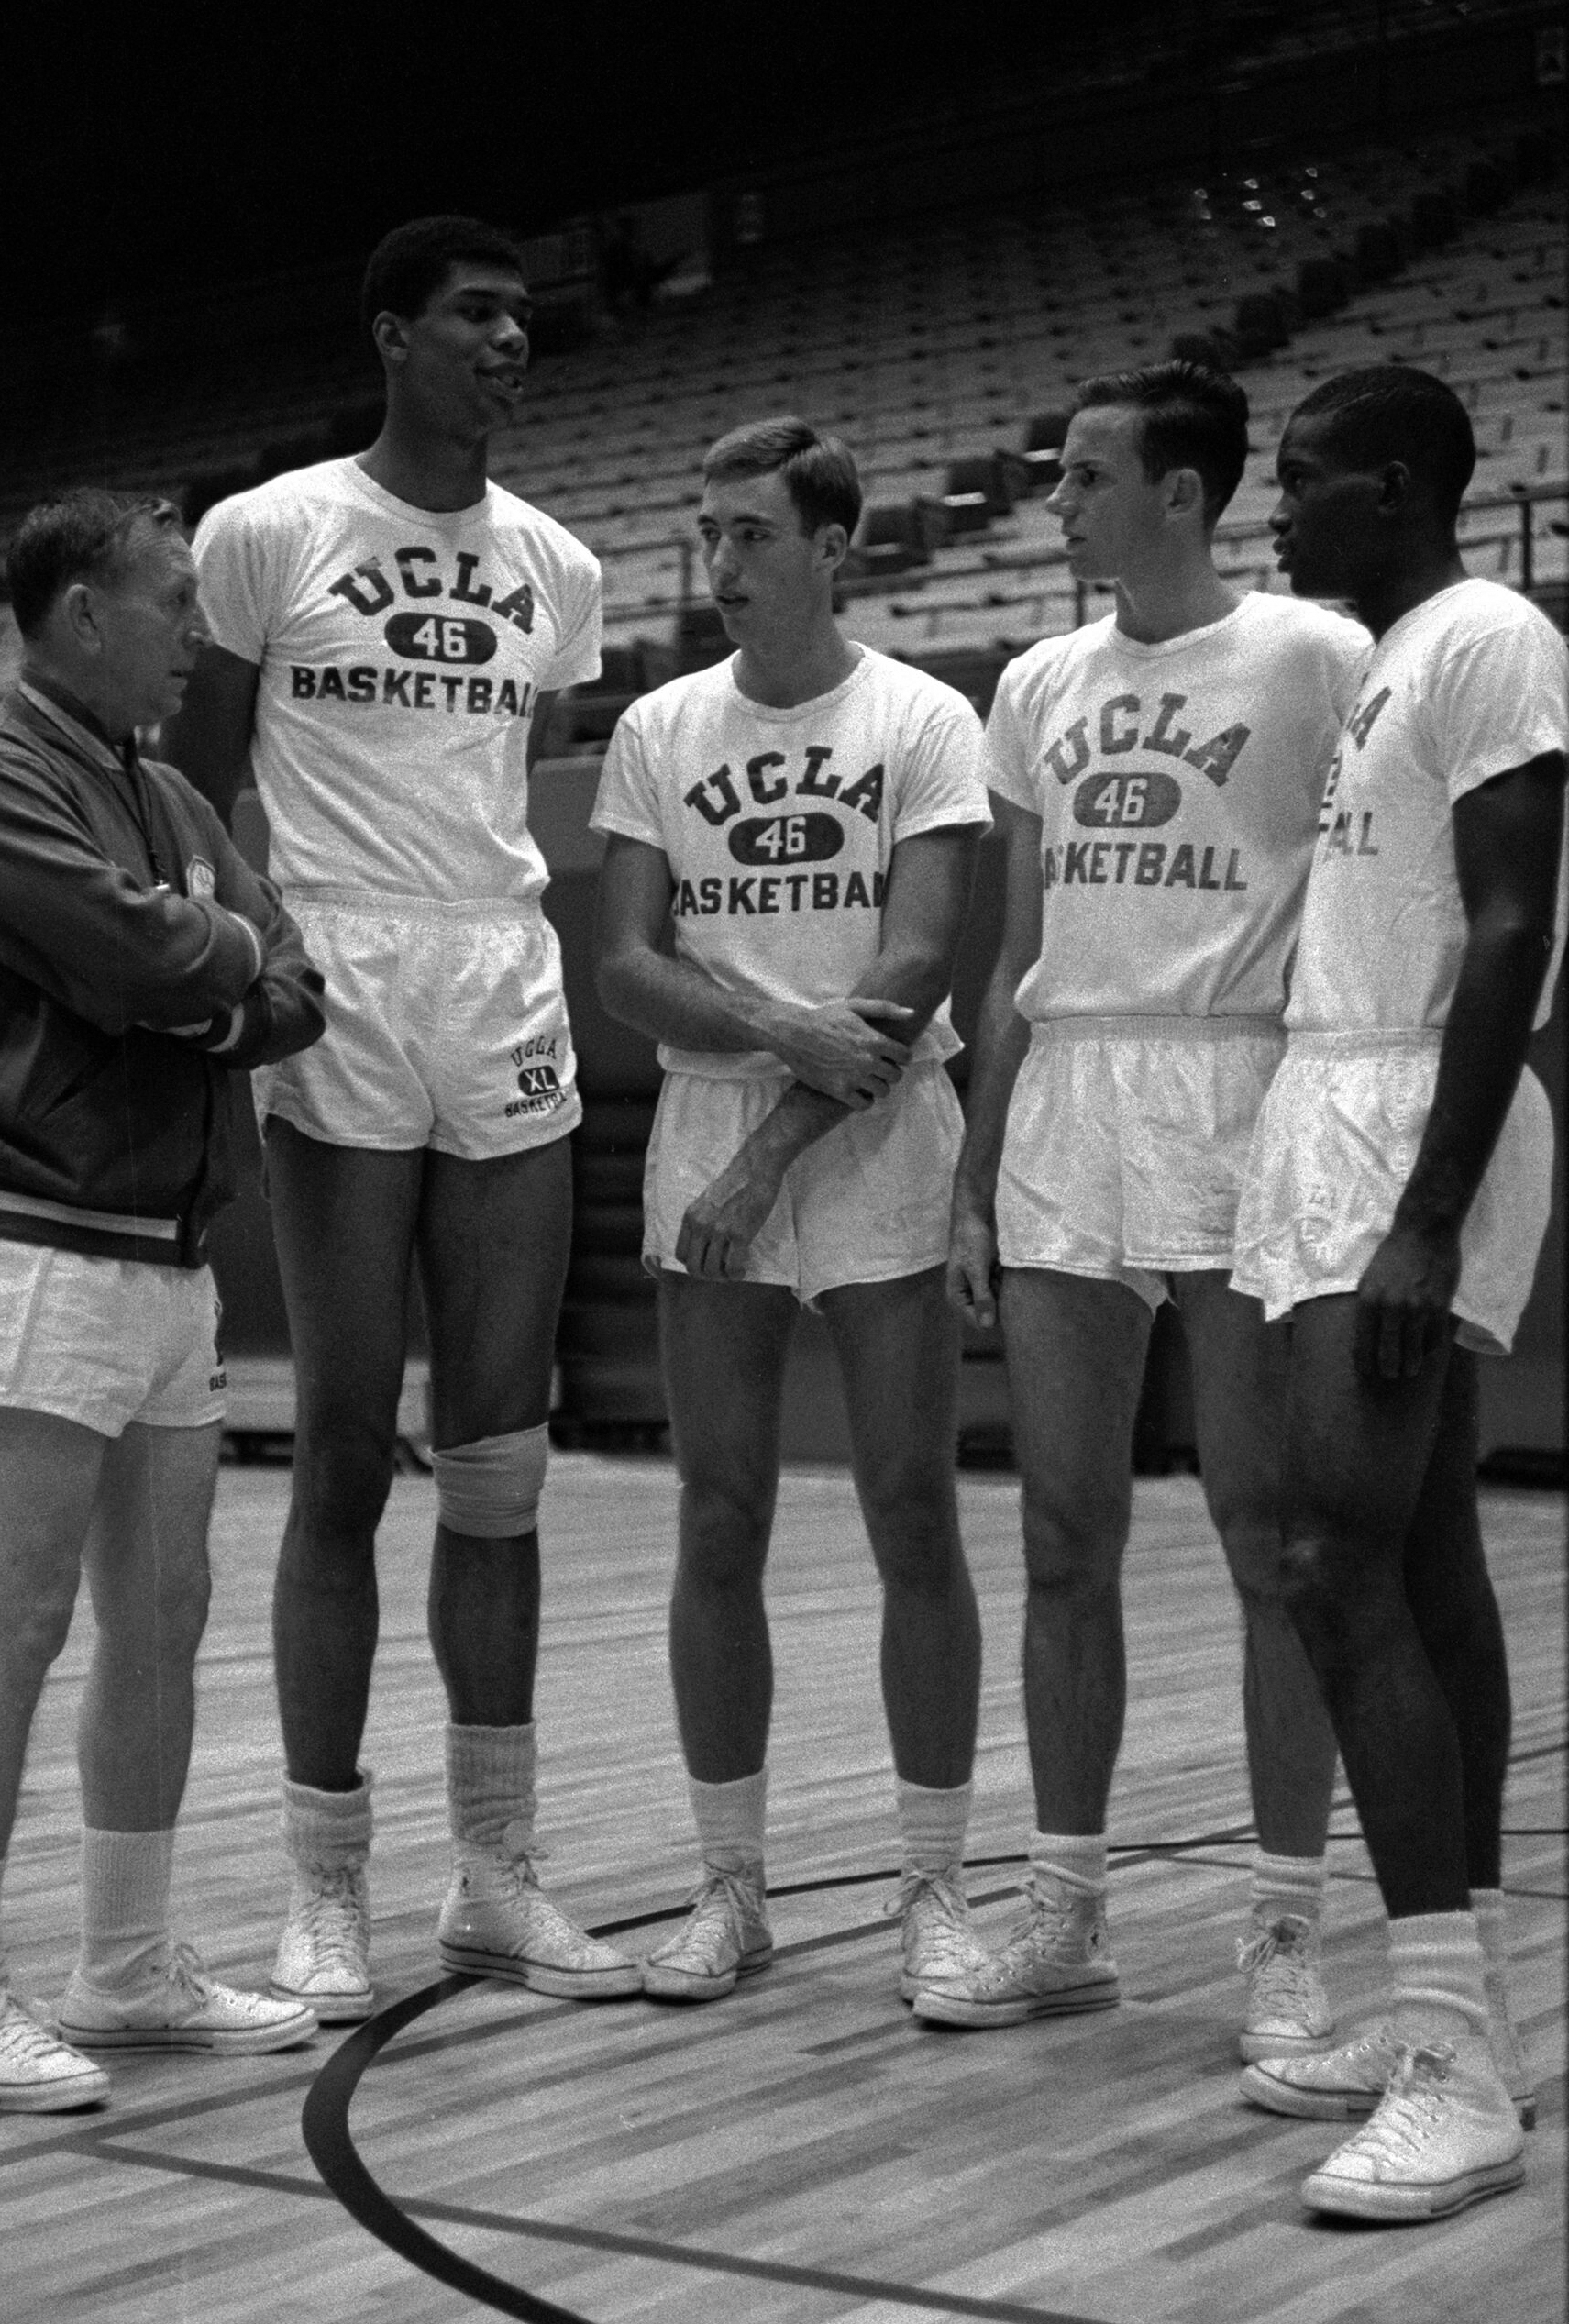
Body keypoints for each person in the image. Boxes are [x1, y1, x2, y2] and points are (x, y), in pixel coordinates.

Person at [168, 216, 639, 2015]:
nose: (512, 341)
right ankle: (322, 1881)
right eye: (477, 315)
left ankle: (497, 1876)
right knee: (351, 1446)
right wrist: (261, 958)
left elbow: (505, 779)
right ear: (392, 335)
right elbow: (195, 787)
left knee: (502, 1456)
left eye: (525, 318)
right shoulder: (269, 531)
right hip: (339, 975)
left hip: (500, 971)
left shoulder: (560, 566)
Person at [945, 362, 1367, 2050]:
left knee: (1270, 1539)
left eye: (1085, 475)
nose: (1054, 502)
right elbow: (1010, 952)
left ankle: (1284, 1924)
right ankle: (1065, 1908)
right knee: (1062, 1538)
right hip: (1067, 1099)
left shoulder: (1315, 658)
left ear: (1181, 494)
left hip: (1236, 1082)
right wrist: (977, 1173)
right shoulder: (1037, 676)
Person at [0, 489, 326, 2111]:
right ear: (84, 613)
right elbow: (148, 955)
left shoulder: (165, 789)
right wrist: (200, 967)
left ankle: (126, 1962)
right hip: (21, 1241)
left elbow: (279, 981)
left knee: (163, 1614)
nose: (196, 636)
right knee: (9, 1617)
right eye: (171, 604)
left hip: (164, 1251)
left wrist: (200, 978)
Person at [592, 416, 996, 2010]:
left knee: (910, 1510)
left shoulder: (922, 716)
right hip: (716, 1106)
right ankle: (728, 1887)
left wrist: (768, 1156)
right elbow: (624, 962)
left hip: (875, 1127)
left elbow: (912, 970)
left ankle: (935, 1888)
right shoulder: (656, 726)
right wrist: (773, 1041)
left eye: (752, 532)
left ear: (835, 543)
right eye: (708, 534)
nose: (722, 563)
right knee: (717, 1515)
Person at [1231, 366, 1565, 2223]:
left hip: (1408, 1116)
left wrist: (1424, 1216)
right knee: (1420, 1557)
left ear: (1399, 485)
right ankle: (1458, 2009)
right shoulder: (1399, 652)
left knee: (1328, 1562)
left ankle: (1458, 2068)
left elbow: (1516, 922)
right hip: (1339, 1099)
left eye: (1305, 481)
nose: (1280, 512)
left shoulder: (1494, 636)